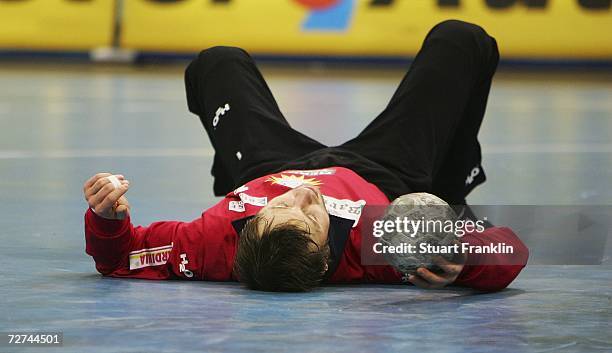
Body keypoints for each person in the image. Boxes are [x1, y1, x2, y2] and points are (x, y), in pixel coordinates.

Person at [83, 20, 529, 292]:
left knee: (216, 62)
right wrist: (463, 261)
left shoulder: (210, 243)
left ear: (249, 229)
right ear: (327, 253)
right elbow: (510, 249)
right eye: (311, 215)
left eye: (279, 209)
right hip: (384, 175)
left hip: (270, 167)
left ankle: (234, 176)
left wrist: (106, 215)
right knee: (462, 39)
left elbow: (121, 258)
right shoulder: (384, 245)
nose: (300, 196)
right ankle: (447, 188)